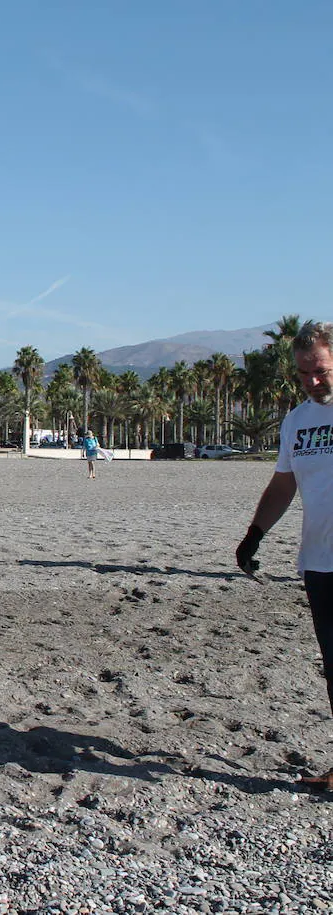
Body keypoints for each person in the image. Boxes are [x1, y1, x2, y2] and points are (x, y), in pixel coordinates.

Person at [237, 319, 333, 790]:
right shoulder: (298, 420)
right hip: (319, 561)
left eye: (320, 370)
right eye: (303, 373)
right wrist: (255, 533)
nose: (312, 381)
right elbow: (284, 482)